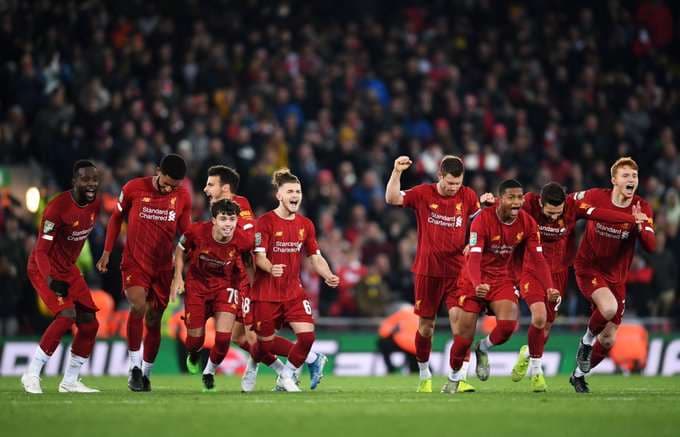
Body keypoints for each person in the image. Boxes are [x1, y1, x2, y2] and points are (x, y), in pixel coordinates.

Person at [510, 182, 638, 390]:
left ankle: (529, 351)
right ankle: (536, 372)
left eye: (557, 213)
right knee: (539, 316)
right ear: (540, 203)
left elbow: (601, 214)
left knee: (547, 325)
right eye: (549, 213)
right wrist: (485, 202)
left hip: (559, 272)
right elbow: (504, 205)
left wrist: (632, 219)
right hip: (531, 268)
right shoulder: (528, 202)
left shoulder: (573, 207)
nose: (553, 218)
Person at [385, 155, 492, 393]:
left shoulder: (468, 196)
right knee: (426, 328)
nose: (454, 188)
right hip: (428, 271)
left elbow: (478, 224)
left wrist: (473, 238)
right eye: (450, 183)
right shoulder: (423, 193)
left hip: (457, 272)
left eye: (458, 183)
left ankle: (458, 377)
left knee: (462, 326)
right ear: (440, 176)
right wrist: (396, 172)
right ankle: (424, 375)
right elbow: (392, 198)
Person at [445, 179, 554, 394]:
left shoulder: (528, 223)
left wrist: (549, 286)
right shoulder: (483, 220)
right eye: (511, 197)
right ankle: (453, 378)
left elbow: (538, 258)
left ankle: (482, 348)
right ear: (500, 199)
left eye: (520, 197)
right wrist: (477, 284)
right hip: (473, 279)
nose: (517, 202)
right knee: (463, 336)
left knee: (507, 327)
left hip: (501, 279)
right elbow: (474, 259)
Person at [96, 154, 192, 392]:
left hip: (162, 267)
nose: (170, 188)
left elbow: (187, 233)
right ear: (157, 170)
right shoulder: (133, 188)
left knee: (154, 320)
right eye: (167, 182)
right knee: (138, 306)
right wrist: (107, 252)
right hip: (135, 262)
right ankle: (134, 368)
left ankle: (146, 373)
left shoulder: (182, 197)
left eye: (175, 185)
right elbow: (116, 218)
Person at [250, 168, 339, 392]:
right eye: (290, 191)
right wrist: (271, 268)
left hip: (293, 291)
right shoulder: (265, 222)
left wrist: (327, 274)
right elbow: (258, 256)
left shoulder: (305, 225)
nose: (295, 195)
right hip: (267, 292)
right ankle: (312, 360)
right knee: (264, 345)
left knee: (307, 336)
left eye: (298, 191)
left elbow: (315, 257)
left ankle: (286, 376)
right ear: (279, 195)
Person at [570, 157, 654, 393]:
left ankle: (577, 375)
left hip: (617, 278)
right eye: (626, 176)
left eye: (634, 176)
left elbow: (651, 245)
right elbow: (567, 202)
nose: (631, 180)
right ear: (614, 180)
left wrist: (639, 226)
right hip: (588, 268)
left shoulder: (642, 207)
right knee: (609, 308)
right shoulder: (596, 196)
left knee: (607, 340)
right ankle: (586, 342)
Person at [22, 160, 102, 394]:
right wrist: (49, 280)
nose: (91, 184)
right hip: (43, 267)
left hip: (68, 268)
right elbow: (40, 251)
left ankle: (69, 381)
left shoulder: (94, 204)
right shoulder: (56, 208)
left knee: (89, 324)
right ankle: (31, 373)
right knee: (66, 315)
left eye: (94, 179)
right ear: (74, 181)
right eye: (85, 179)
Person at [170, 199, 249, 392]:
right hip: (197, 287)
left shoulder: (243, 239)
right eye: (223, 219)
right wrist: (178, 276)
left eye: (232, 219)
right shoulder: (196, 232)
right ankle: (194, 354)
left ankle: (209, 372)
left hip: (226, 287)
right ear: (213, 220)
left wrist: (248, 289)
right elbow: (180, 250)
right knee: (195, 341)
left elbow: (249, 263)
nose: (228, 224)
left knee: (223, 339)